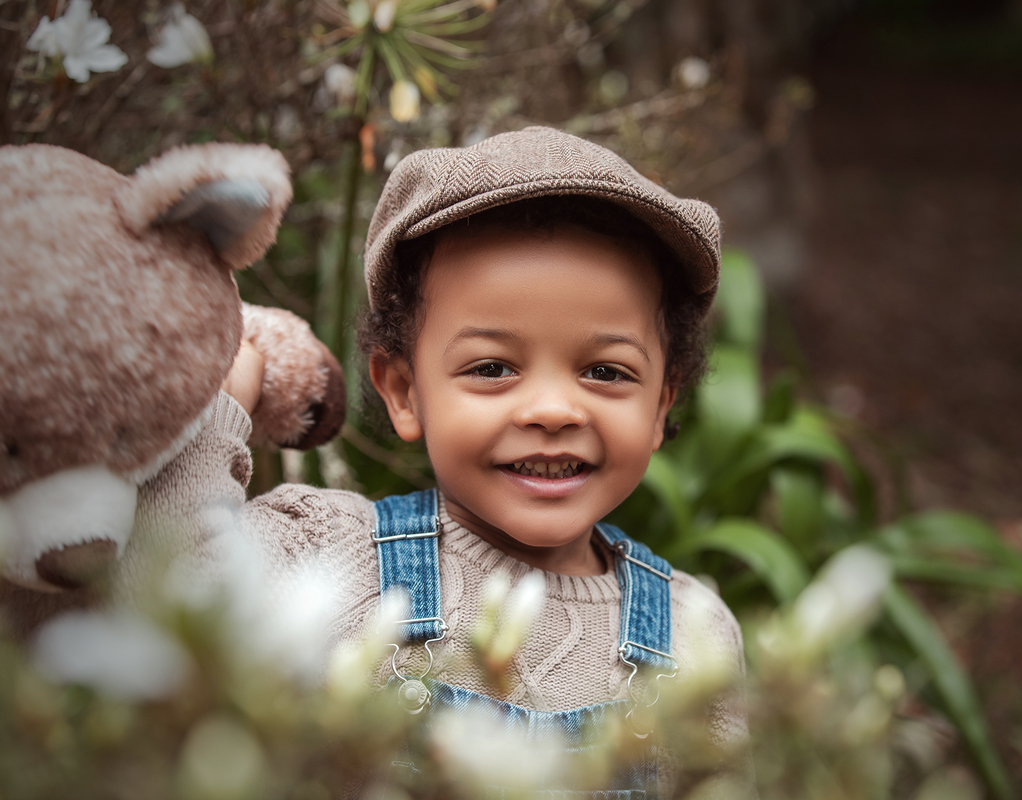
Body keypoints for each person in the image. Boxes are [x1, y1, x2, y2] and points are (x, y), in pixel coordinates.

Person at [213, 126, 752, 797]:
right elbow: (152, 606)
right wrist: (219, 419)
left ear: (660, 405)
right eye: (493, 367)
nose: (554, 409)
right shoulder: (328, 559)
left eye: (607, 371)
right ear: (406, 392)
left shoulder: (692, 634)